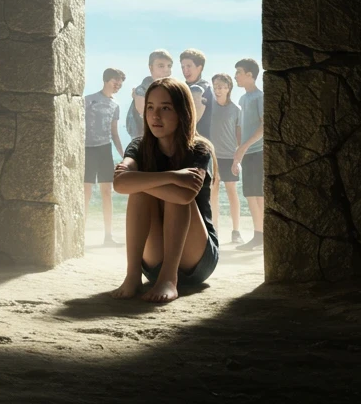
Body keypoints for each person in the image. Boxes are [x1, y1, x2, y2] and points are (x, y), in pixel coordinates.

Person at [109, 76, 219, 304]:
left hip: (197, 260)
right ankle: (132, 276)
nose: (155, 116)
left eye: (165, 108)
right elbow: (120, 183)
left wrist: (146, 180)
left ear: (182, 112)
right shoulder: (139, 146)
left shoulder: (199, 148)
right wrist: (172, 176)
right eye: (150, 107)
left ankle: (170, 279)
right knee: (140, 190)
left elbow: (185, 194)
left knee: (168, 194)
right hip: (153, 263)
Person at [84, 68, 125, 246]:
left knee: (107, 192)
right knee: (86, 192)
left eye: (120, 83)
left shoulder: (115, 105)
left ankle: (108, 236)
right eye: (116, 82)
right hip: (87, 149)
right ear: (106, 80)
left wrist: (124, 155)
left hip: (105, 150)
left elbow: (114, 133)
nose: (118, 86)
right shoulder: (88, 100)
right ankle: (81, 233)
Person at [233, 58, 264, 251]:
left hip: (258, 151)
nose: (236, 76)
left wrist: (244, 147)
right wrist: (239, 150)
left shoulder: (260, 97)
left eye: (239, 72)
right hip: (247, 152)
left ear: (250, 75)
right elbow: (241, 126)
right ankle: (259, 235)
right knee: (250, 195)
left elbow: (264, 126)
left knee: (258, 195)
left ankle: (261, 235)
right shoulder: (242, 99)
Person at [209, 72, 244, 244]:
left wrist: (237, 159)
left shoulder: (236, 109)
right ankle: (214, 229)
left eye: (222, 87)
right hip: (213, 157)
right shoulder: (209, 107)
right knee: (213, 192)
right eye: (216, 86)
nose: (218, 90)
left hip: (230, 156)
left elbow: (240, 136)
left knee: (232, 192)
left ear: (229, 88)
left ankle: (236, 231)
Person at [125, 49, 173, 142]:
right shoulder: (142, 90)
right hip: (143, 138)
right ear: (151, 68)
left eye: (169, 66)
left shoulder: (167, 89)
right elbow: (144, 113)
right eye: (161, 66)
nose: (166, 70)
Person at [180, 47, 213, 139]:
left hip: (199, 142)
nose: (185, 70)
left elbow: (191, 121)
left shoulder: (204, 89)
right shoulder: (182, 87)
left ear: (200, 68)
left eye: (189, 66)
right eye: (183, 67)